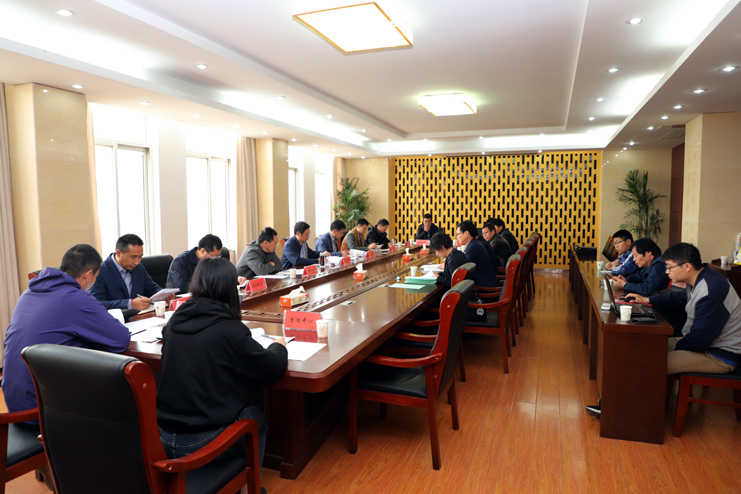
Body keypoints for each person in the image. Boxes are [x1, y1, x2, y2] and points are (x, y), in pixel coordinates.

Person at [156, 257, 288, 477]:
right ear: (229, 288)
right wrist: (278, 346)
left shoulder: (173, 323)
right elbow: (273, 367)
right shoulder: (230, 330)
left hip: (161, 436)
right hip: (200, 442)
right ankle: (251, 487)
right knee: (256, 417)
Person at [586, 242, 741, 418]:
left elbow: (699, 341)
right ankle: (614, 404)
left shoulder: (711, 290)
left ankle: (620, 413)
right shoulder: (701, 278)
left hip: (718, 355)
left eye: (669, 267)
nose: (666, 272)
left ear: (687, 266)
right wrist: (648, 300)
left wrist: (671, 349)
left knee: (651, 362)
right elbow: (680, 297)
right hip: (700, 343)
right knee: (640, 349)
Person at [2, 244, 131, 416]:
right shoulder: (77, 298)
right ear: (88, 274)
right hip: (45, 409)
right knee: (124, 396)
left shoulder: (28, 293)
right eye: (96, 276)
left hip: (15, 402)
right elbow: (121, 340)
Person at [90, 233, 167, 311]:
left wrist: (164, 295)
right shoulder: (99, 271)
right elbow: (96, 303)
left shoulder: (138, 267)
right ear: (118, 253)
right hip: (114, 317)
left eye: (140, 257)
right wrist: (130, 304)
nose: (137, 262)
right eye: (133, 257)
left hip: (139, 315)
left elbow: (151, 288)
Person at [457, 220, 500, 288]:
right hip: (487, 283)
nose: (457, 237)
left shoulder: (473, 248)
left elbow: (463, 269)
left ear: (466, 233)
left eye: (458, 234)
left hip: (485, 289)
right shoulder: (474, 244)